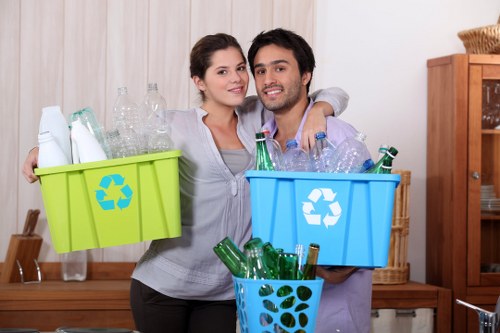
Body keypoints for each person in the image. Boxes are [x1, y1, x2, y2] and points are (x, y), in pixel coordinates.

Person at [22, 33, 349, 333]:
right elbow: (102, 148)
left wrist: (320, 109)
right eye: (221, 72)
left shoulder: (258, 116)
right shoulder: (170, 124)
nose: (236, 79)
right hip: (163, 286)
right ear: (199, 81)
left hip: (223, 291)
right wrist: (45, 149)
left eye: (240, 69)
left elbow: (330, 93)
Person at [247, 28, 372, 333]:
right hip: (275, 307)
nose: (268, 79)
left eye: (279, 68)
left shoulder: (337, 135)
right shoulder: (263, 137)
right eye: (260, 71)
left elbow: (371, 214)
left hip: (331, 312)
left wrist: (340, 270)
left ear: (305, 76)